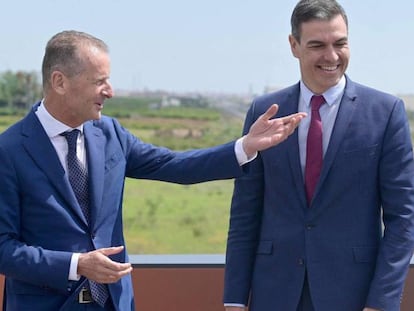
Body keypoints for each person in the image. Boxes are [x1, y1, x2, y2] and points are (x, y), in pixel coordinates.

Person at [0, 30, 305, 311]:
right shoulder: (10, 151)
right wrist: (75, 264)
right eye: (99, 81)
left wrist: (245, 147)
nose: (110, 91)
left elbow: (174, 165)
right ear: (59, 82)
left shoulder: (110, 134)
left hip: (115, 303)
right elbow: (3, 248)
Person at [223, 1, 414, 311]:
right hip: (274, 293)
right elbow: (245, 211)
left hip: (354, 296)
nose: (332, 56)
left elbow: (403, 218)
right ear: (294, 45)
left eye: (340, 43)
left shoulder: (385, 113)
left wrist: (381, 303)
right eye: (317, 45)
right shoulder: (264, 112)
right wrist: (234, 299)